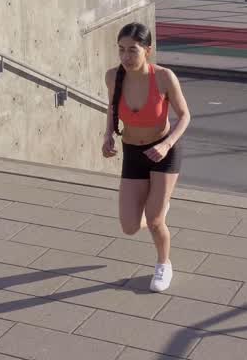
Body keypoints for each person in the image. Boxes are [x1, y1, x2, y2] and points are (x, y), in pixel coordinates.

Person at [103, 23, 191, 293]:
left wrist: (166, 145)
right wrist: (108, 135)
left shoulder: (164, 77)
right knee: (129, 226)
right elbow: (111, 107)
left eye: (132, 50)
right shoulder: (112, 76)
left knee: (153, 222)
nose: (126, 56)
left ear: (148, 50)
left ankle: (163, 264)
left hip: (164, 152)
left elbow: (185, 116)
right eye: (121, 50)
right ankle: (160, 207)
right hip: (133, 152)